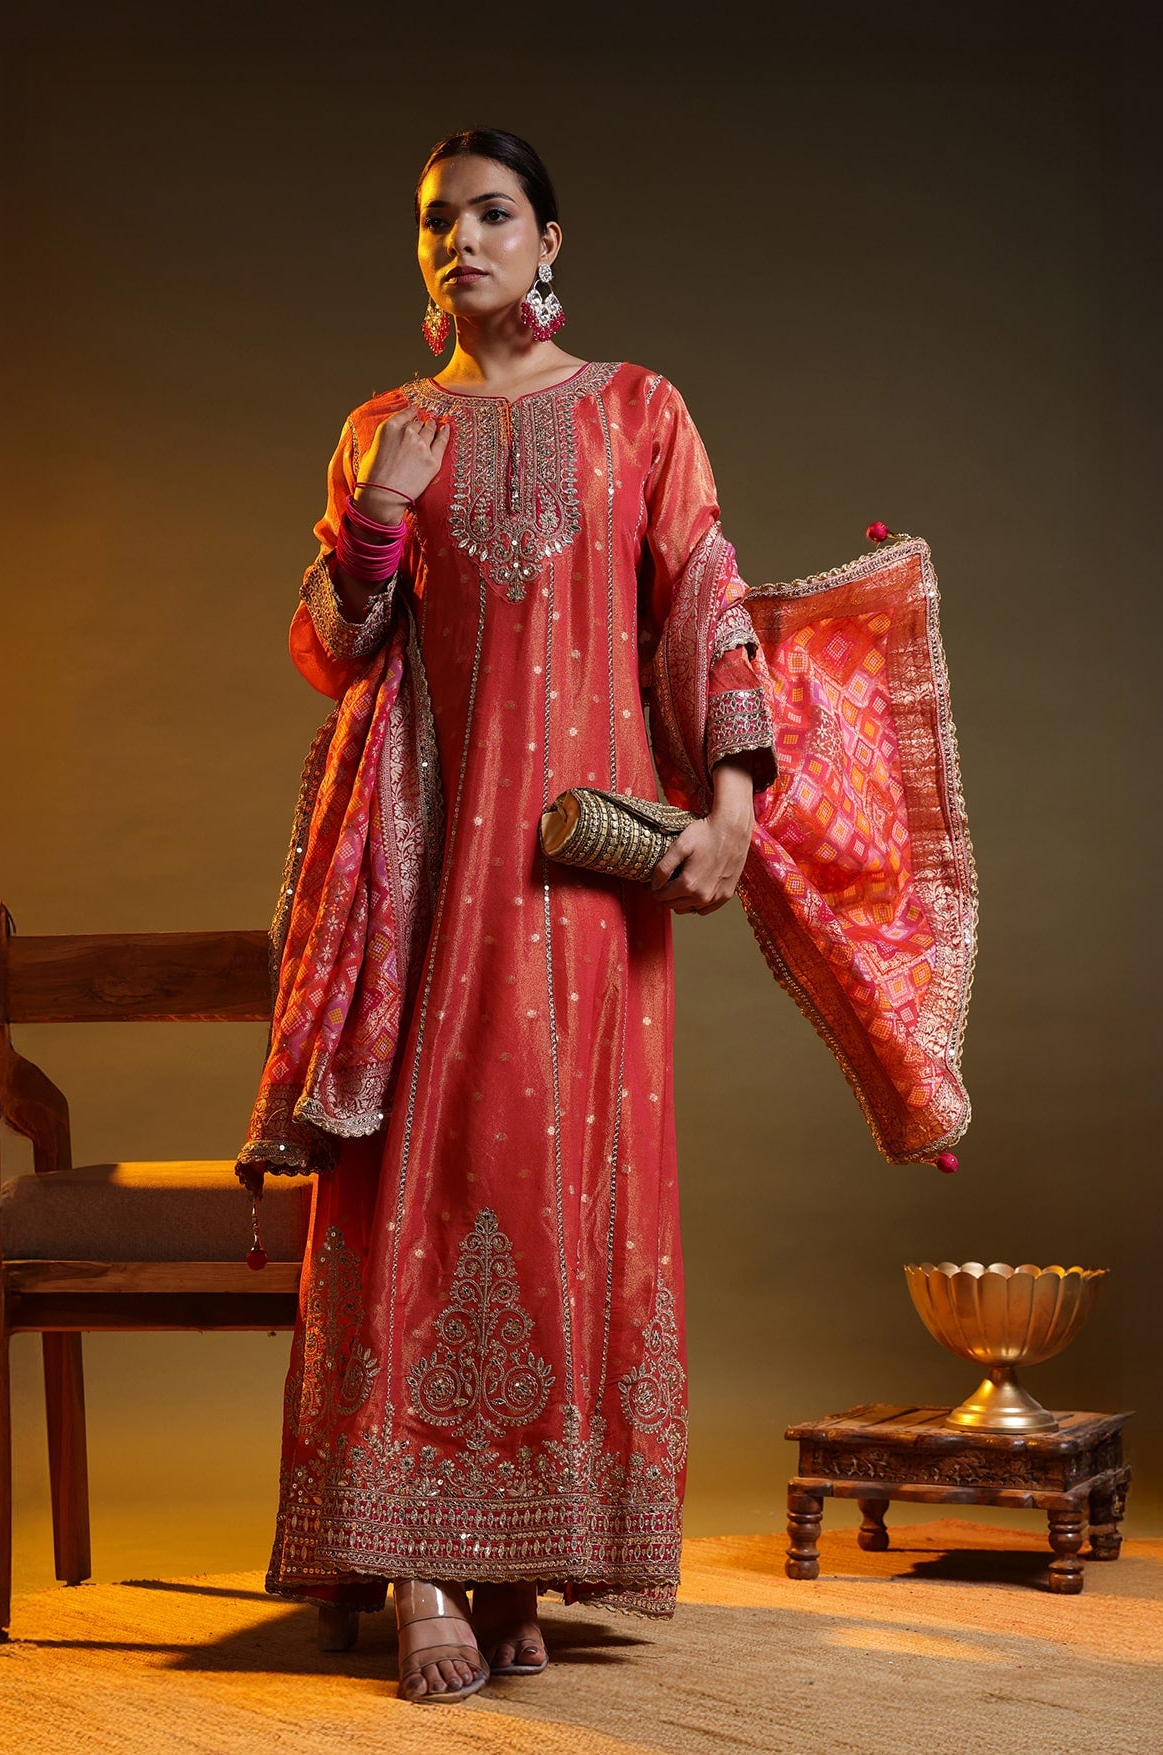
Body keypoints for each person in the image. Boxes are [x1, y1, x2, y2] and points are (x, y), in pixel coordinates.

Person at [235, 127, 975, 1706]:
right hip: (429, 869)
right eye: (435, 222)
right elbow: (332, 649)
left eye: (491, 214)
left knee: (571, 1180)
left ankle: (524, 1561)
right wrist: (378, 515)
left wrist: (731, 807)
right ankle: (421, 1560)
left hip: (585, 870)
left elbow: (702, 596)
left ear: (549, 239)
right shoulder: (381, 430)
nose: (460, 241)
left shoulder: (641, 412)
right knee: (424, 1176)